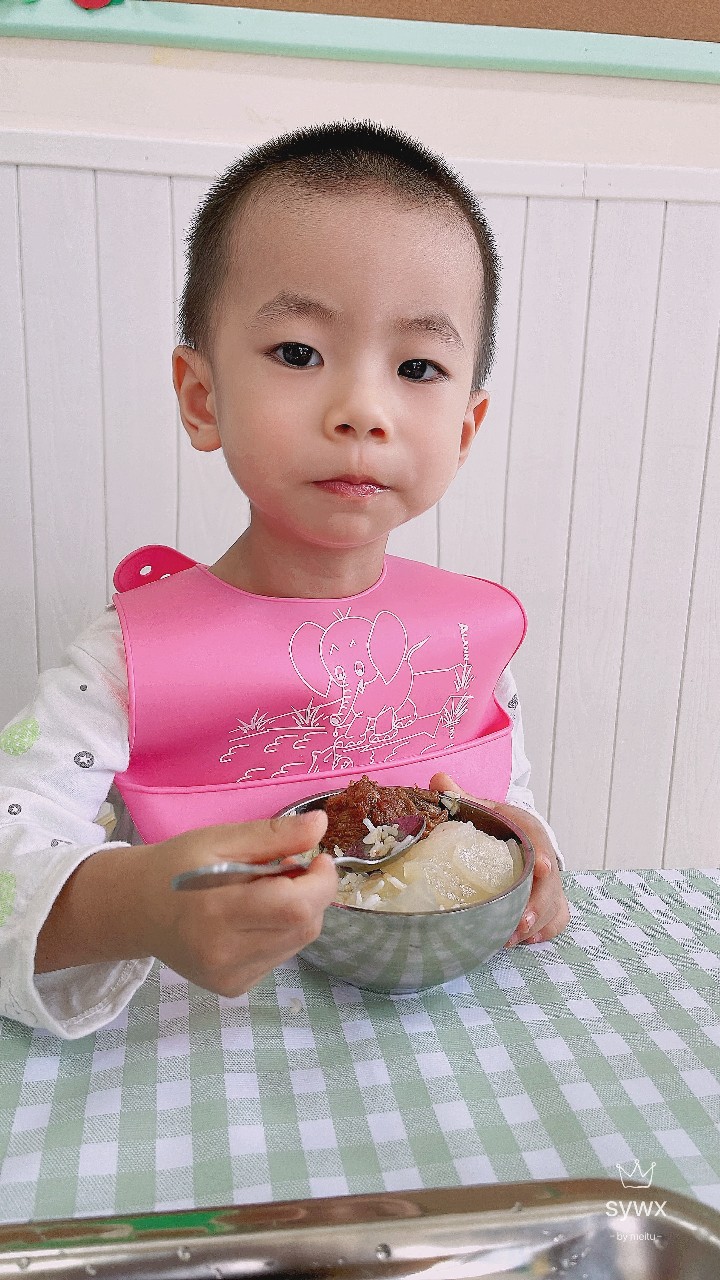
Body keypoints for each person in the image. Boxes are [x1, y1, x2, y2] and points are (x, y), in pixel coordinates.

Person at [0, 121, 569, 1039]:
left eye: (418, 367)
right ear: (203, 398)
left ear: (465, 430)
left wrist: (534, 860)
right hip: (193, 1060)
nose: (363, 410)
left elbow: (511, 808)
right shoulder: (132, 661)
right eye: (300, 353)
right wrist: (139, 905)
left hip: (442, 1054)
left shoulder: (467, 640)